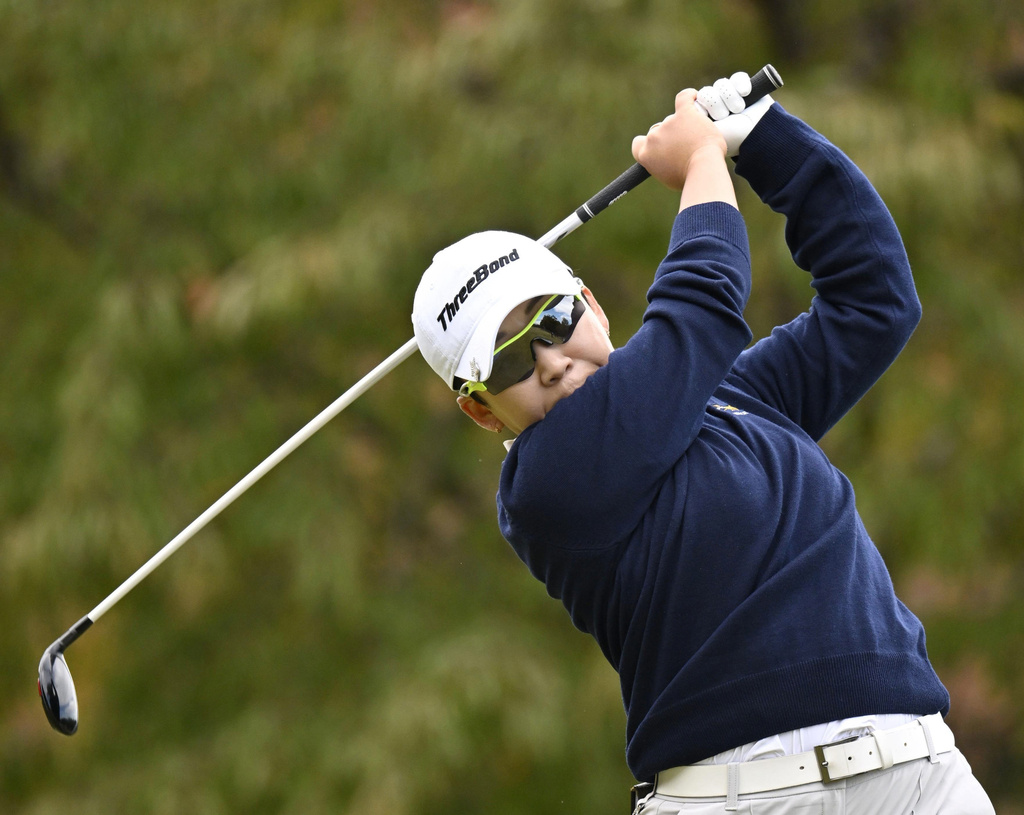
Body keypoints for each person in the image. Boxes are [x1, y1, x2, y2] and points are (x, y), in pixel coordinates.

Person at [411, 74, 995, 813]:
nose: (551, 360)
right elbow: (703, 306)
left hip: (920, 776)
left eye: (553, 319)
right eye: (507, 360)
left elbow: (874, 297)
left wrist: (762, 139)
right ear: (481, 410)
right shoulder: (546, 488)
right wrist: (702, 163)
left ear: (589, 302)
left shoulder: (739, 399)